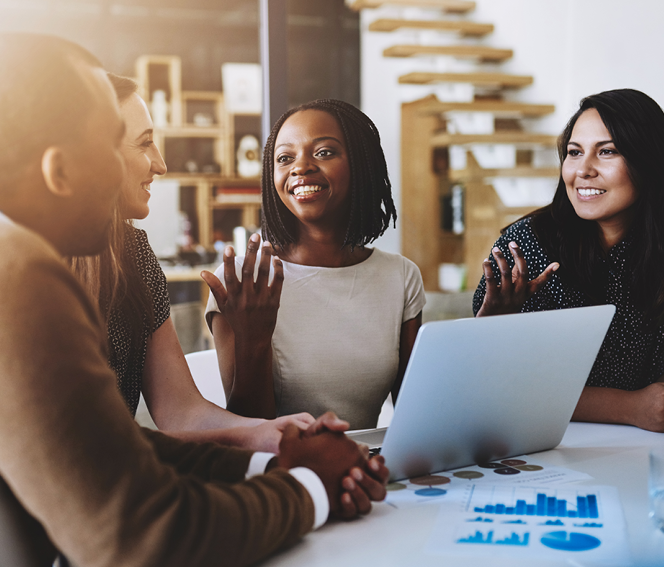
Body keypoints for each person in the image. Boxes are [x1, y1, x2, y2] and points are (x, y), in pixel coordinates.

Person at [0, 33, 388, 567]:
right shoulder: (12, 272)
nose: (158, 166)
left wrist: (266, 463)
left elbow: (106, 445)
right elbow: (149, 536)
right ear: (60, 171)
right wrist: (310, 489)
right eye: (116, 141)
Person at [70, 73, 314, 453]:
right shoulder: (26, 268)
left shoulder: (135, 254)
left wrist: (268, 432)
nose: (161, 165)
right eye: (145, 143)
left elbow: (181, 411)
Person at [203, 99, 426, 429]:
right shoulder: (242, 281)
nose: (300, 167)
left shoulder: (400, 277)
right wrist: (255, 337)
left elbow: (416, 418)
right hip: (280, 474)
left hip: (367, 470)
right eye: (285, 158)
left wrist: (489, 324)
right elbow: (248, 432)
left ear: (360, 163)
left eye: (324, 152)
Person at [473, 88, 664, 433]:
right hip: (541, 446)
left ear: (648, 159)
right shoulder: (526, 246)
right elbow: (499, 385)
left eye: (607, 151)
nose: (583, 170)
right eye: (574, 153)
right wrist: (631, 407)